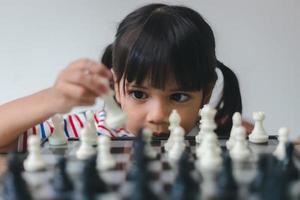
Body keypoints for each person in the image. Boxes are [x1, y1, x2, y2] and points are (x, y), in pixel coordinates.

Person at [0, 3, 250, 152]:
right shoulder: (83, 132)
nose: (157, 115)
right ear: (116, 87)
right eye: (139, 94)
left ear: (206, 93)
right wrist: (53, 99)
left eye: (179, 96)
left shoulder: (223, 136)